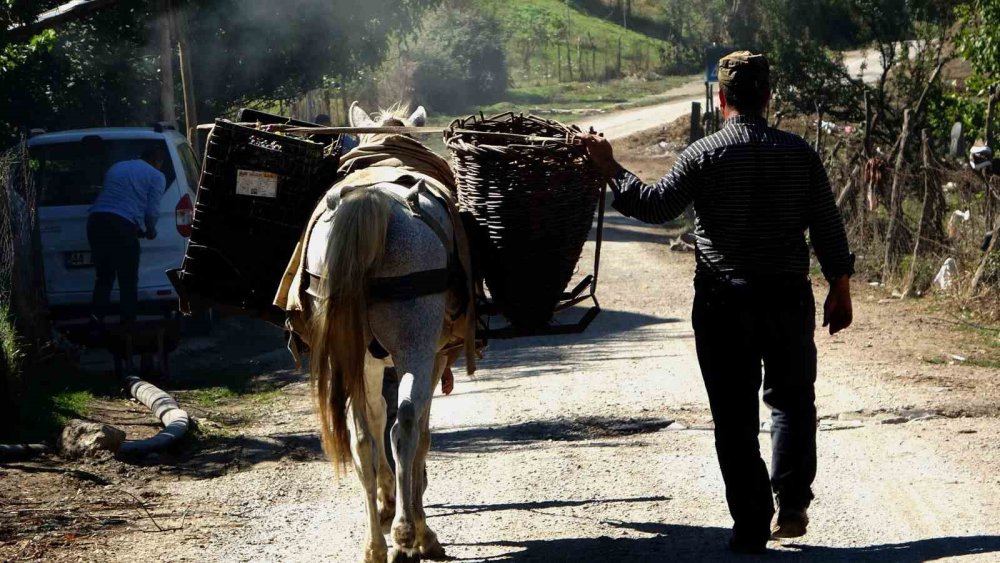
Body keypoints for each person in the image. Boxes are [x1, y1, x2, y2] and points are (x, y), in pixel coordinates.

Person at [580, 51, 854, 554]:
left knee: (734, 416)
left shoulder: (704, 154)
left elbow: (655, 205)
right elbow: (827, 226)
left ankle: (752, 524)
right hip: (788, 299)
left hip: (724, 303)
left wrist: (609, 167)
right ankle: (792, 501)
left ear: (721, 98)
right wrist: (840, 286)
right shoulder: (800, 154)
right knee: (793, 400)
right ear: (768, 97)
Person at [87, 146, 167, 354]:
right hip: (122, 226)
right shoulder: (156, 176)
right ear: (157, 161)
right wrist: (150, 230)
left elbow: (117, 199)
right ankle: (127, 326)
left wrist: (136, 227)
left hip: (96, 222)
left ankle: (95, 321)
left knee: (104, 276)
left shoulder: (118, 167)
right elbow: (151, 211)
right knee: (128, 279)